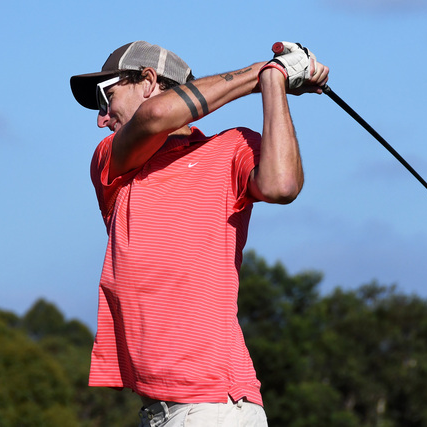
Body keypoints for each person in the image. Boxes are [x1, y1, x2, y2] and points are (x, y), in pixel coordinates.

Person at [70, 40, 329, 426]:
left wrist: (273, 81)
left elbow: (281, 185)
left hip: (213, 405)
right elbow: (155, 116)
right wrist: (266, 69)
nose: (101, 118)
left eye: (105, 97)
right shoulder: (112, 162)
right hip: (164, 412)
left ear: (148, 81)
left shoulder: (232, 147)